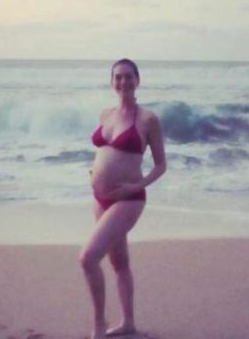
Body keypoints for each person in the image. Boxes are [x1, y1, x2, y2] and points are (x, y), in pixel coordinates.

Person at [80, 58, 167, 339]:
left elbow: (161, 166)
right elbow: (104, 151)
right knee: (119, 263)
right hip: (100, 197)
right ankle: (128, 323)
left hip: (129, 199)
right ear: (112, 82)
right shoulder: (105, 114)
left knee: (88, 258)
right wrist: (95, 172)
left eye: (128, 76)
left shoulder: (148, 120)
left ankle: (99, 325)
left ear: (137, 80)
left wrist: (135, 186)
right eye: (118, 77)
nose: (123, 81)